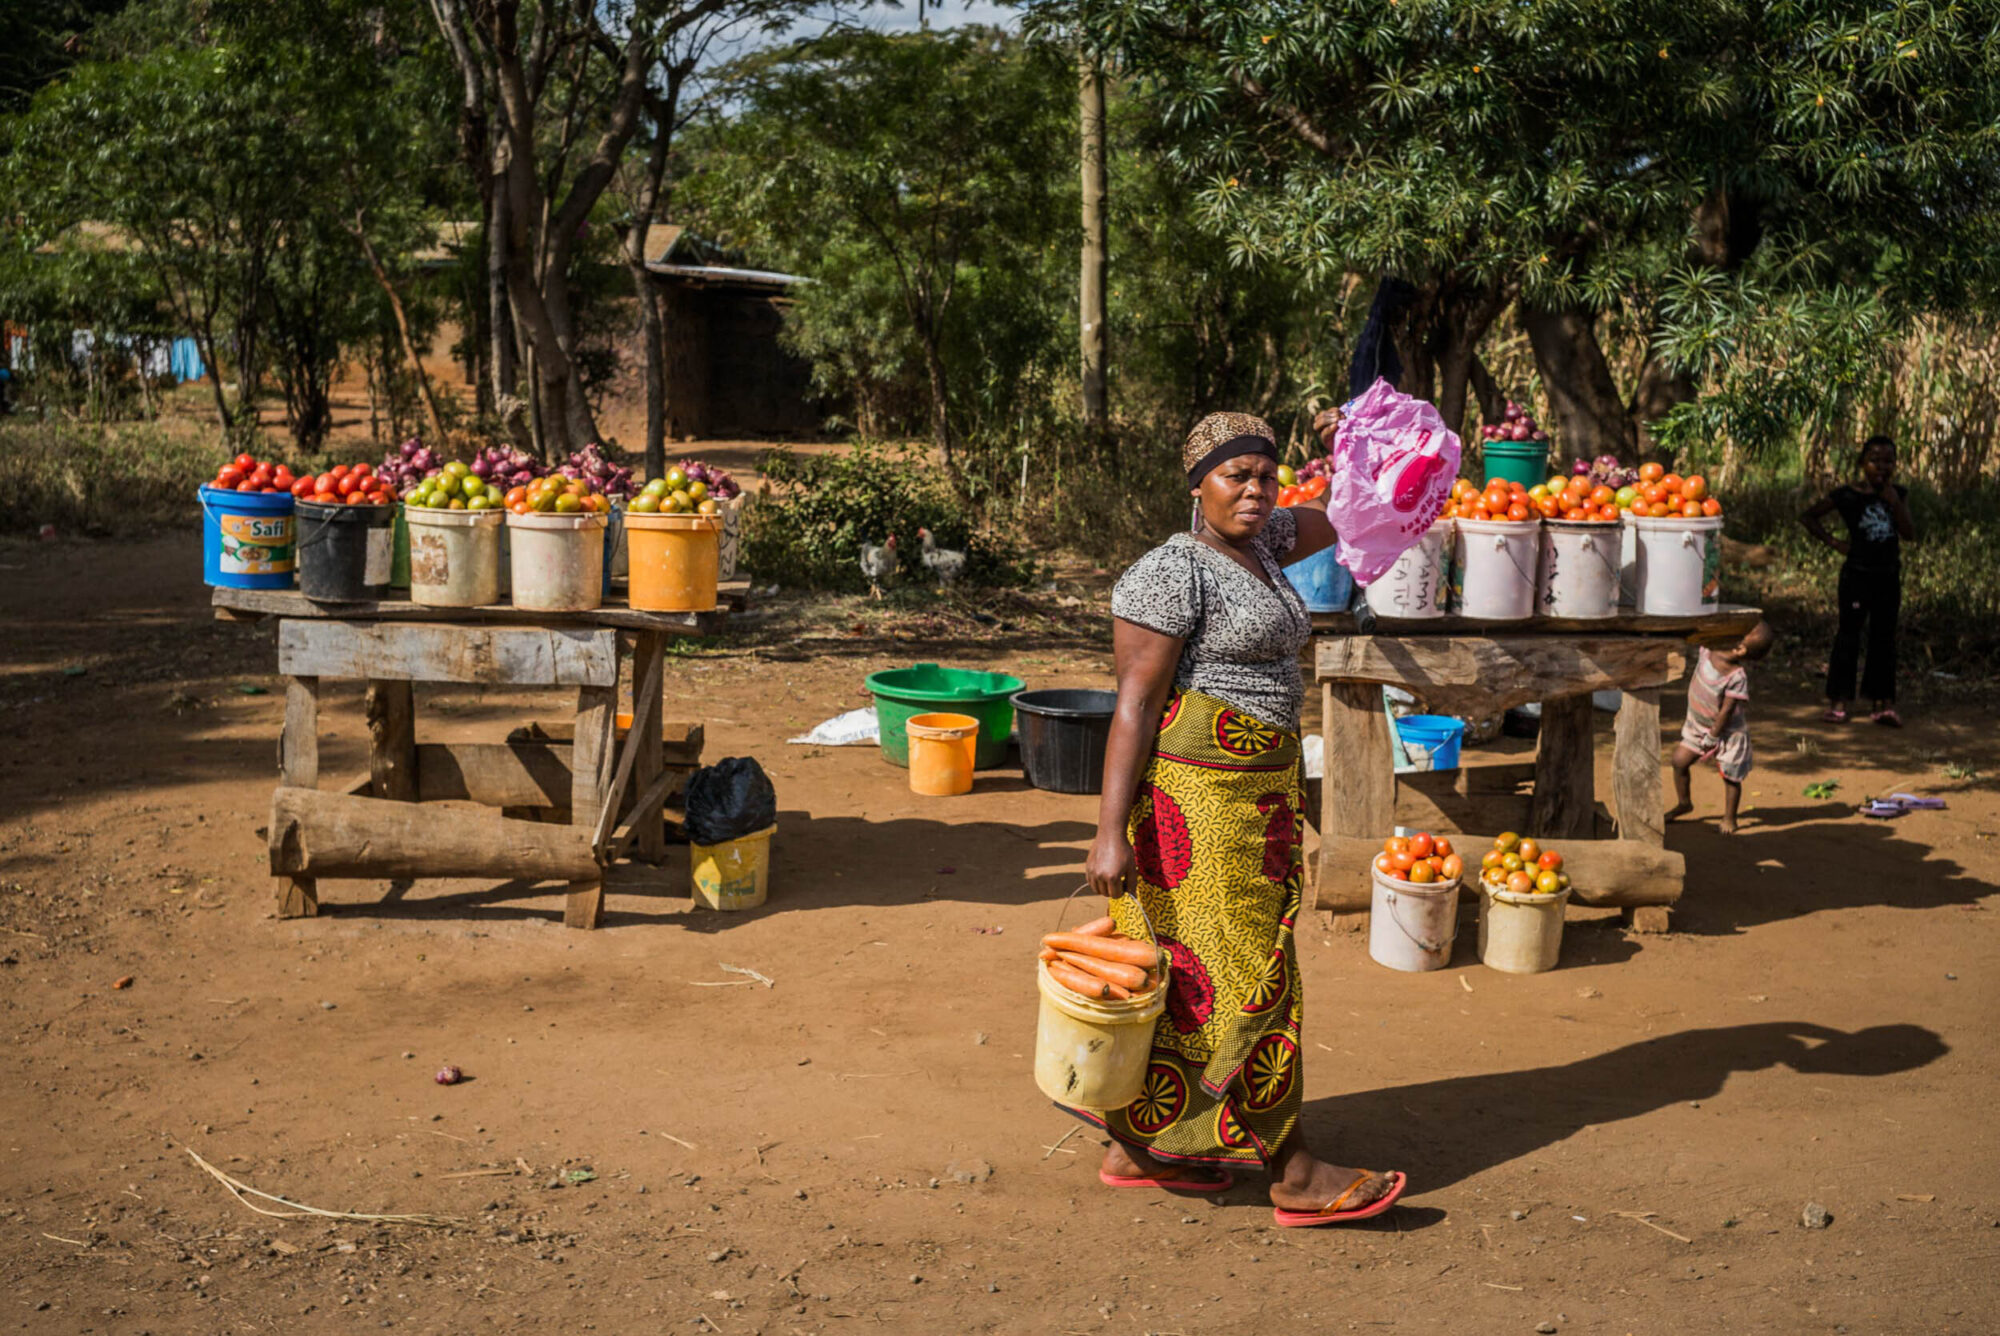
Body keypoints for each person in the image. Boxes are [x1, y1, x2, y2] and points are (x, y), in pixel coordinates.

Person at [1070, 410, 1408, 1228]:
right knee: (1253, 977)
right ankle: (1294, 1170)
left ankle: (1141, 1149)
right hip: (1199, 810)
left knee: (1198, 977)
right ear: (1198, 485)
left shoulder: (1265, 541)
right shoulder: (1170, 572)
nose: (1255, 490)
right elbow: (1134, 706)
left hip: (1260, 799)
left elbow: (1350, 512)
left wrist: (1356, 440)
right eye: (1235, 476)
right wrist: (1108, 832)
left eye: (1266, 474)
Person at [1800, 435, 1916, 726]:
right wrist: (1834, 542)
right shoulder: (1847, 495)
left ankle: (1882, 703)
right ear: (1862, 463)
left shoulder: (1898, 494)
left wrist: (1895, 503)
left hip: (1888, 576)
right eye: (1875, 460)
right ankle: (1838, 702)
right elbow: (1809, 517)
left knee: (1884, 637)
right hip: (1856, 576)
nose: (1882, 467)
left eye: (1888, 461)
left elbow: (1909, 533)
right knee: (1848, 635)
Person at [1667, 621, 1774, 834]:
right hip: (1698, 726)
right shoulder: (1708, 649)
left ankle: (1730, 817)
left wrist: (1713, 736)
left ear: (1739, 649)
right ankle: (1684, 803)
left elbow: (1726, 711)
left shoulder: (1736, 677)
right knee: (1679, 762)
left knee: (1730, 777)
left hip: (1727, 733)